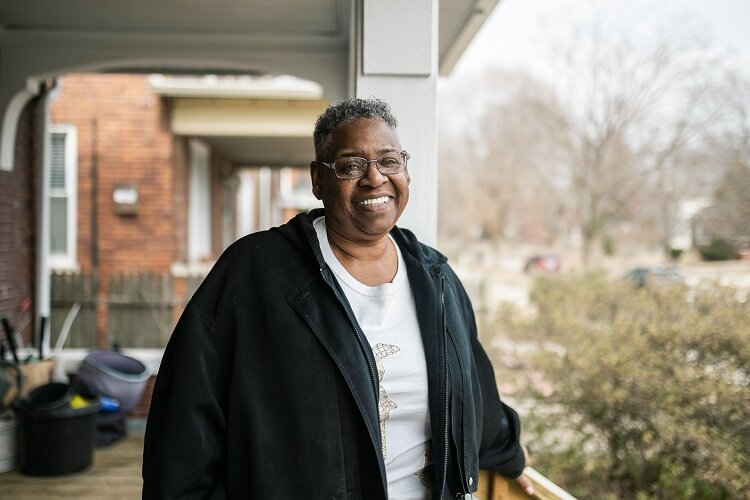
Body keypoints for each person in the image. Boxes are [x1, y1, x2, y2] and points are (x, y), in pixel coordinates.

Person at [142, 97, 532, 499]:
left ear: (406, 172)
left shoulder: (438, 281)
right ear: (317, 179)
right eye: (350, 165)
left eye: (389, 161)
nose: (374, 178)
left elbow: (475, 394)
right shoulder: (255, 276)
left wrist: (509, 456)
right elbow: (183, 430)